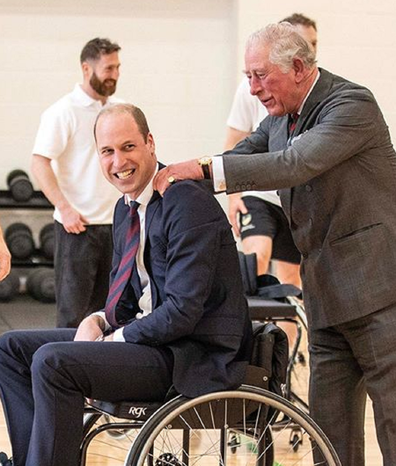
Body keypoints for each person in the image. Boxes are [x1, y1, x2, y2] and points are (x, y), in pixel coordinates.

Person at [154, 22, 396, 465]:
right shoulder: (279, 121)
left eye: (259, 75)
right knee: (330, 435)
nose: (252, 89)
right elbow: (242, 156)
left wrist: (203, 171)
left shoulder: (351, 104)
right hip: (325, 298)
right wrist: (172, 180)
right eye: (248, 77)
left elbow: (293, 164)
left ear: (299, 67)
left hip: (378, 294)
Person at [0, 103, 252, 466]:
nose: (119, 161)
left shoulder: (186, 202)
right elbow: (129, 296)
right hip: (149, 341)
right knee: (11, 348)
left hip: (189, 353)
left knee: (53, 361)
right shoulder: (125, 207)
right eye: (107, 151)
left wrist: (111, 339)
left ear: (151, 143)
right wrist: (100, 319)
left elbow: (182, 312)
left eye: (128, 147)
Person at [31, 38, 122, 328]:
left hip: (117, 226)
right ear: (86, 68)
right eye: (108, 68)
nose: (115, 74)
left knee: (111, 314)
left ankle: (100, 372)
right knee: (73, 318)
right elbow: (39, 162)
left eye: (118, 67)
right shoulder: (63, 111)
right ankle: (63, 373)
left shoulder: (120, 110)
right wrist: (64, 208)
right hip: (78, 229)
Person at [226, 13, 317, 287]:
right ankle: (249, 326)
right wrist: (233, 197)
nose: (310, 49)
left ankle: (287, 332)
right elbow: (235, 142)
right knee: (257, 256)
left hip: (292, 199)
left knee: (291, 279)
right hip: (258, 192)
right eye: (304, 42)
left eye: (314, 43)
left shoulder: (318, 93)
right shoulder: (251, 88)